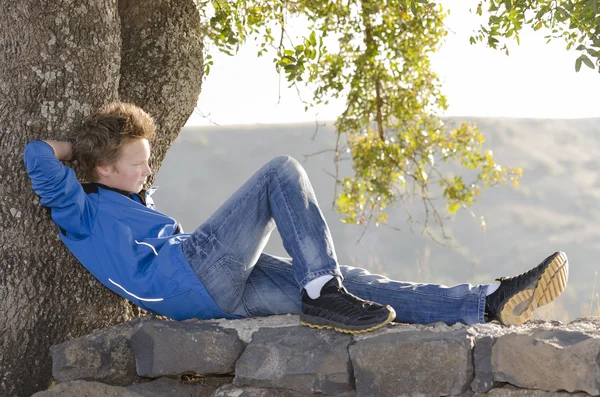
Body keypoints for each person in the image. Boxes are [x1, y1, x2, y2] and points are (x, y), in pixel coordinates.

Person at [23, 102, 569, 334]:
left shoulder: (125, 201)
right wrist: (85, 145)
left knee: (358, 289)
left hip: (212, 295)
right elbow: (37, 155)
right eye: (136, 164)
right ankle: (320, 287)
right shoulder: (83, 210)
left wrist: (117, 160)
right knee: (279, 172)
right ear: (100, 167)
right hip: (191, 275)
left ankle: (487, 304)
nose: (147, 171)